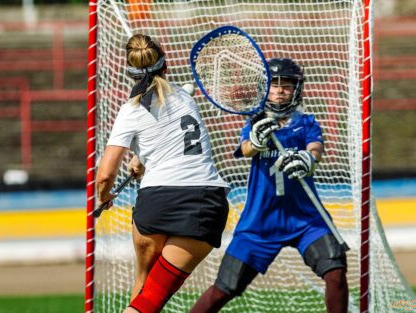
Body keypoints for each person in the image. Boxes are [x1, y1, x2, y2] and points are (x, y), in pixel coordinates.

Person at [189, 58, 348, 313]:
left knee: (336, 272)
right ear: (265, 88)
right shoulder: (256, 122)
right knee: (224, 288)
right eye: (275, 85)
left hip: (306, 220)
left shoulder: (305, 122)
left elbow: (316, 146)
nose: (280, 90)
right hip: (260, 223)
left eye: (286, 85)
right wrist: (257, 141)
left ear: (297, 89)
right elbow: (245, 148)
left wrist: (309, 158)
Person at [95, 34, 229, 313]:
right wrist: (140, 157)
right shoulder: (184, 97)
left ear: (129, 72)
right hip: (203, 202)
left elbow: (105, 175)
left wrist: (105, 196)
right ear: (165, 67)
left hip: (155, 204)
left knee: (144, 292)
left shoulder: (130, 110)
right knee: (150, 300)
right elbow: (175, 141)